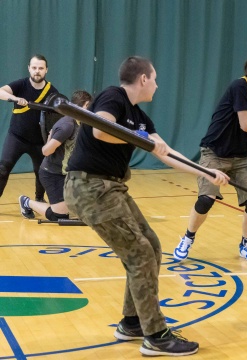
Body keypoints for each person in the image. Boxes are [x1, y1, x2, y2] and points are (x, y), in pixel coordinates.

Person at [64, 56, 230, 356]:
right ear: (143, 79)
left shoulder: (140, 117)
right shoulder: (113, 97)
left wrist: (207, 172)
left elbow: (166, 153)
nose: (157, 84)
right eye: (154, 78)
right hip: (89, 186)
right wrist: (142, 140)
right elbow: (102, 129)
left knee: (150, 246)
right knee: (139, 252)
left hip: (110, 186)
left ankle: (131, 322)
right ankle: (155, 334)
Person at [173, 52, 247, 263]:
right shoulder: (240, 87)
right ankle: (187, 238)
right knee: (205, 200)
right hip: (214, 152)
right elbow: (246, 123)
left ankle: (246, 244)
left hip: (241, 156)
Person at [18, 90, 92, 220]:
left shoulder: (81, 122)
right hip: (52, 174)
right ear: (83, 105)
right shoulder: (67, 126)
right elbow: (45, 151)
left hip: (67, 173)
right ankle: (26, 202)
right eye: (88, 106)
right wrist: (49, 139)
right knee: (59, 216)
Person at [0, 54, 58, 204]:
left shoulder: (52, 92)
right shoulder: (20, 84)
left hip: (39, 142)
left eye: (40, 68)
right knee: (3, 168)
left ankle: (39, 199)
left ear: (46, 70)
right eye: (34, 68)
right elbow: (1, 91)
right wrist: (15, 99)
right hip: (16, 137)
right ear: (29, 69)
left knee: (41, 173)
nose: (37, 71)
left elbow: (58, 118)